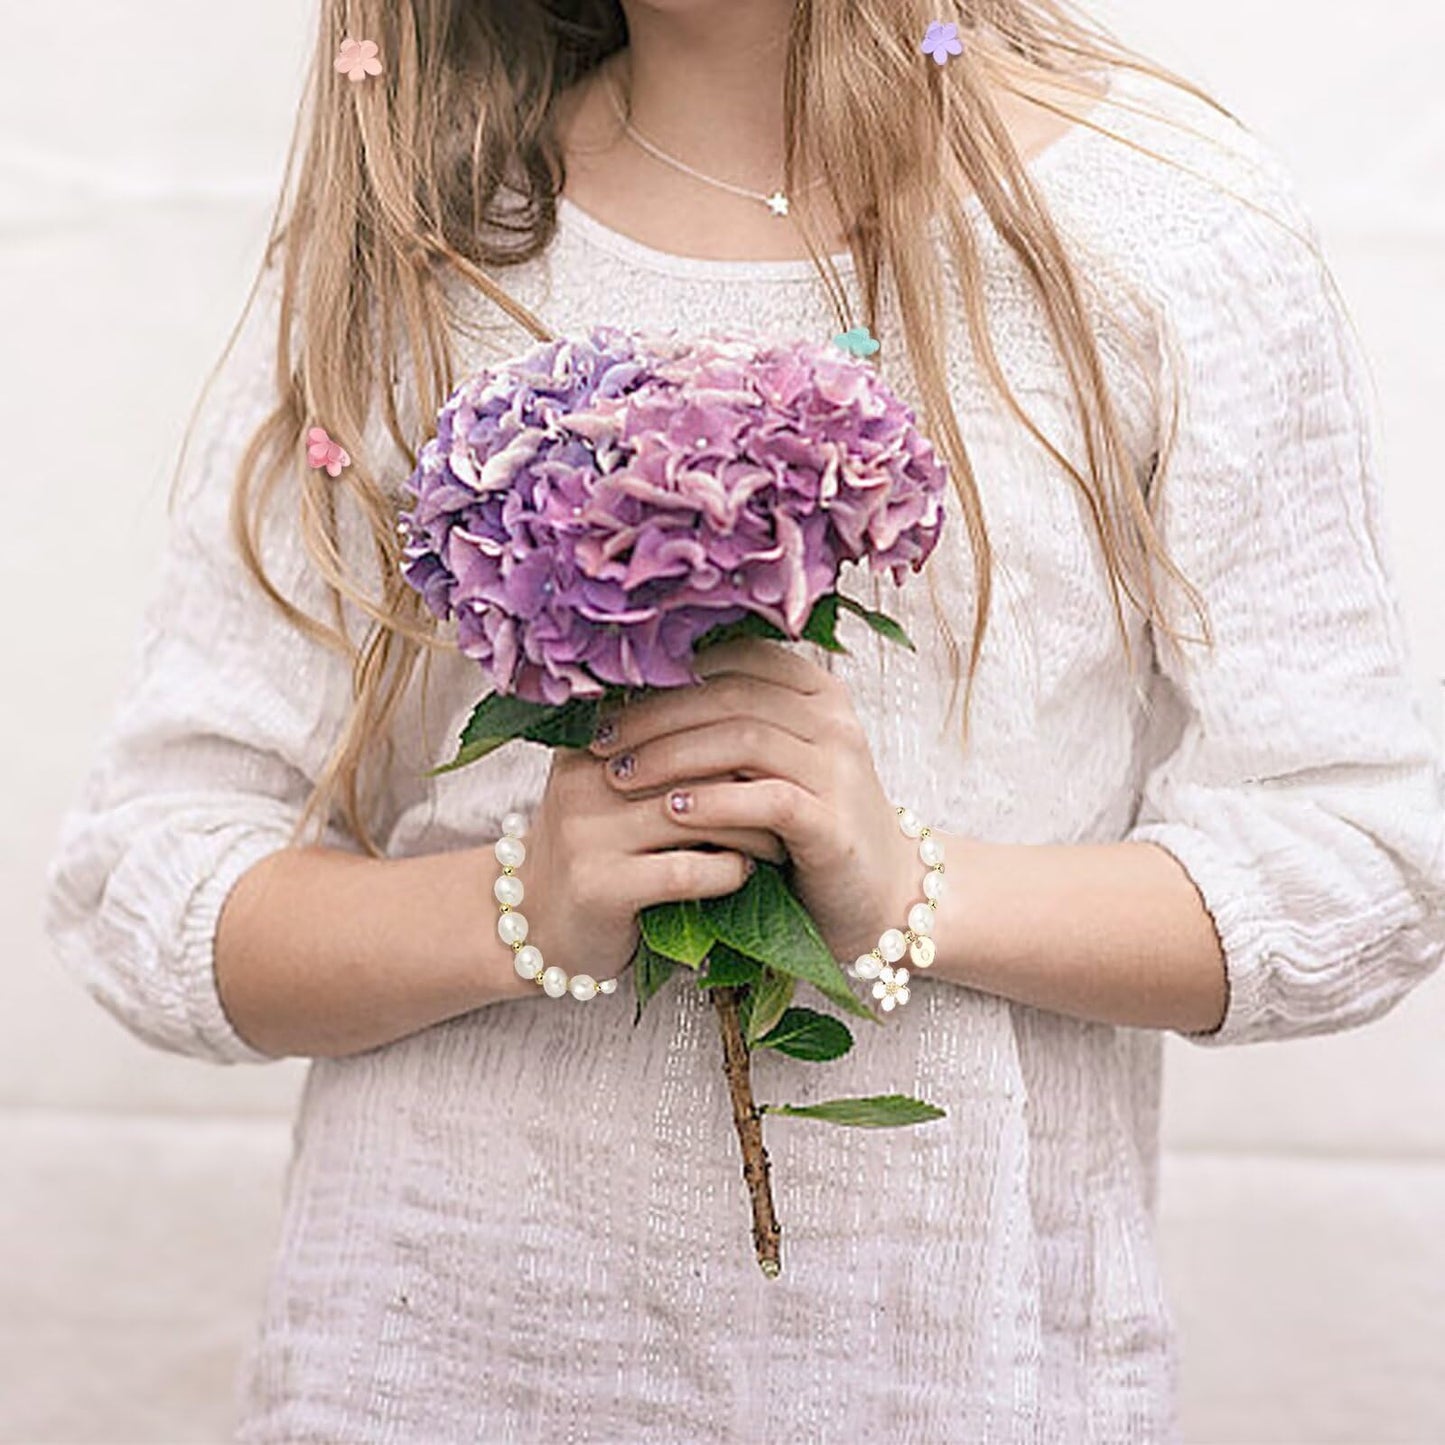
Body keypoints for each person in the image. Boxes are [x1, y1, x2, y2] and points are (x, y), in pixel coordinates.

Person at [41, 1, 1445, 1440]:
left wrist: (909, 887)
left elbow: (1355, 865)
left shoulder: (1159, 234)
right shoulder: (430, 256)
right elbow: (150, 881)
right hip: (438, 1371)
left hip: (950, 1380)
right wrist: (520, 904)